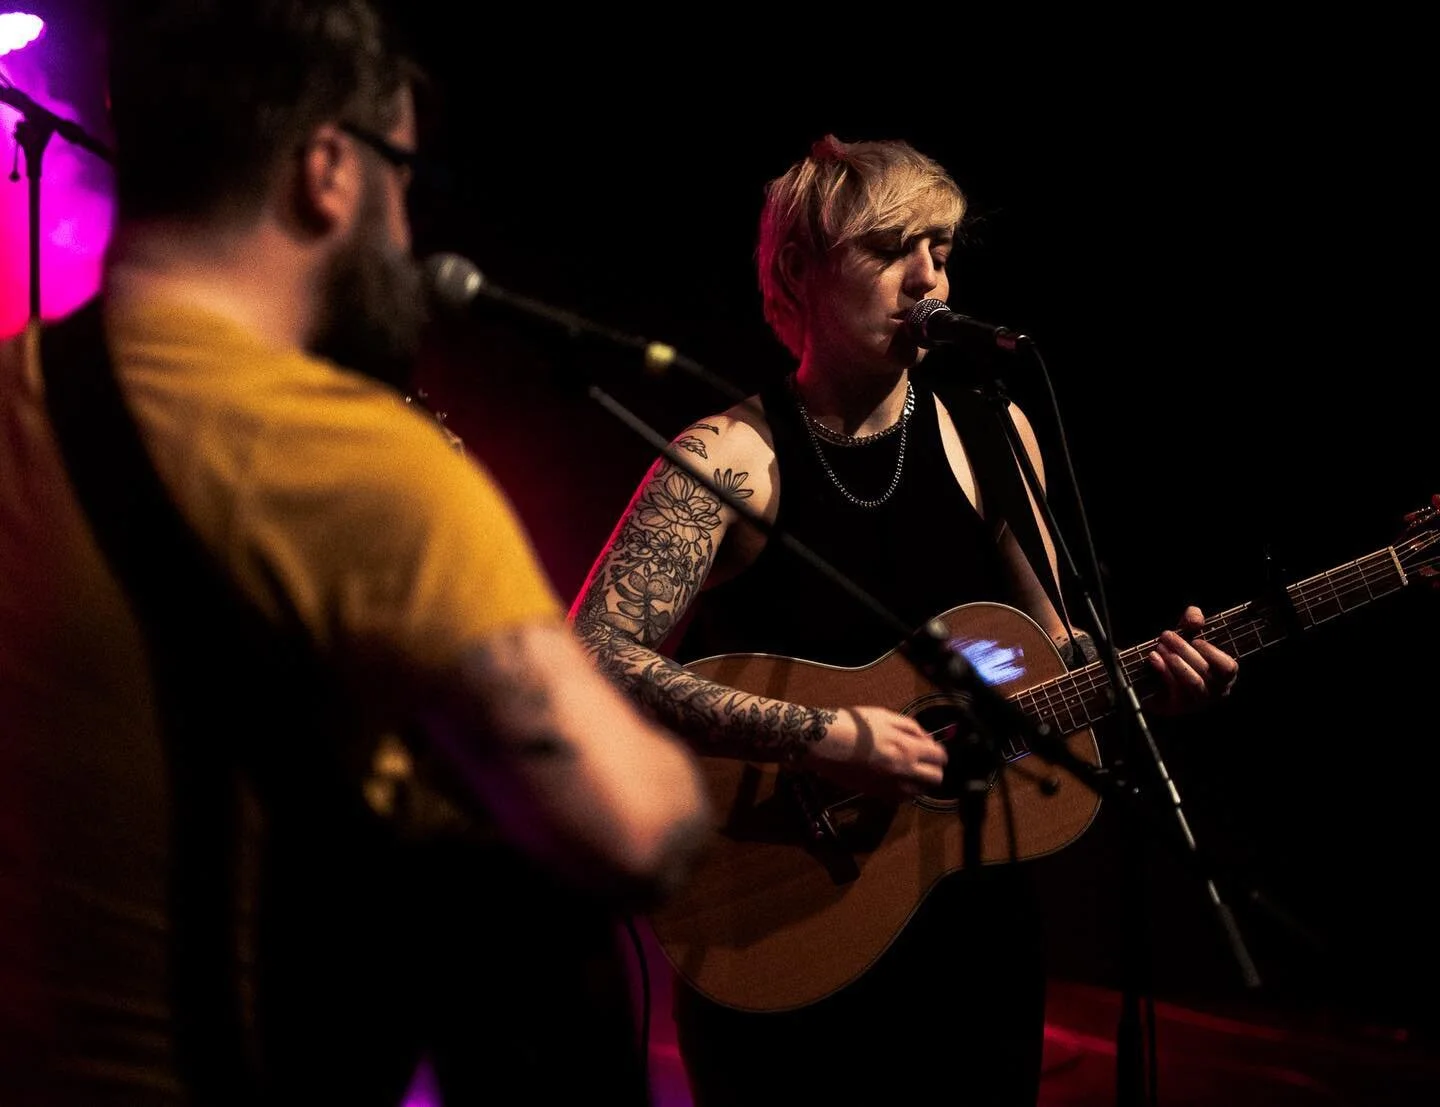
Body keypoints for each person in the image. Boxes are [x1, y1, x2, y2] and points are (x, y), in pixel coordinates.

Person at [0, 2, 710, 1104]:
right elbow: (634, 827)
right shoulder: (364, 467)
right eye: (401, 172)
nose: (407, 231)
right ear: (329, 167)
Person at [569, 133, 1241, 1106]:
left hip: (969, 928)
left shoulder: (990, 427)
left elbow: (1055, 655)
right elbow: (586, 659)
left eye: (943, 247)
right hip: (778, 925)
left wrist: (1149, 684)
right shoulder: (729, 458)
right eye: (891, 249)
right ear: (799, 272)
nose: (929, 276)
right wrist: (818, 735)